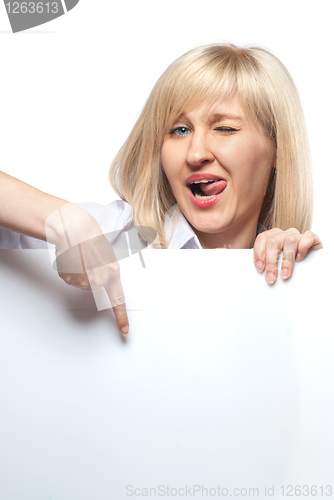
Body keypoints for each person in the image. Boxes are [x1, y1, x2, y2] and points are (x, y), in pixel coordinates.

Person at [0, 43, 322, 336]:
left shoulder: (292, 270)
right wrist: (59, 218)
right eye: (179, 130)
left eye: (224, 128)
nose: (196, 153)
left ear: (277, 149)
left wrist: (308, 276)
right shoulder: (113, 235)